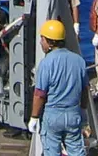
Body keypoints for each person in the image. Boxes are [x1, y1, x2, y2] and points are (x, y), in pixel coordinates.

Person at [27, 19, 89, 156]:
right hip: (73, 114)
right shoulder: (79, 60)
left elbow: (40, 94)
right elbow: (85, 90)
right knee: (77, 151)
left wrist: (34, 117)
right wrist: (83, 110)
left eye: (42, 39)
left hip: (53, 116)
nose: (40, 42)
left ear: (50, 42)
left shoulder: (46, 63)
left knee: (51, 151)